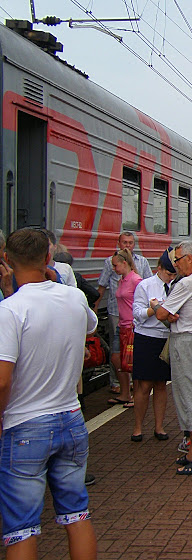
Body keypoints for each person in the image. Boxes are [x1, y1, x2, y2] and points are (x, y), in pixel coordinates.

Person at [0, 228, 99, 557]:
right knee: (76, 514)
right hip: (71, 418)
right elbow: (89, 326)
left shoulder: (10, 311)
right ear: (47, 258)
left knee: (21, 528)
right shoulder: (73, 297)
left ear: (7, 260)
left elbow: (3, 380)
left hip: (24, 424)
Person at [155, 241, 192, 475]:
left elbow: (161, 313)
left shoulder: (186, 283)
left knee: (189, 397)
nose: (175, 264)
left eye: (178, 259)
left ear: (189, 259)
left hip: (186, 342)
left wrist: (160, 308)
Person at [96, 232, 152, 397]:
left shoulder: (139, 269)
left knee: (129, 357)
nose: (127, 245)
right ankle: (120, 386)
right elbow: (102, 285)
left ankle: (136, 392)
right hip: (117, 315)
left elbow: (148, 288)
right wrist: (96, 306)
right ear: (119, 243)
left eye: (130, 242)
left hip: (131, 322)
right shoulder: (115, 270)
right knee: (118, 356)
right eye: (124, 242)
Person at [130, 249, 176, 441]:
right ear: (159, 269)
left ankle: (159, 426)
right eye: (168, 273)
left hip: (165, 337)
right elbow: (137, 313)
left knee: (161, 384)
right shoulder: (145, 285)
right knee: (144, 384)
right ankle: (138, 427)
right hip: (147, 337)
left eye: (174, 274)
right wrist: (154, 309)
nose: (171, 277)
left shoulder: (178, 286)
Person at [110, 249, 143, 409]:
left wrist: (136, 321)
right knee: (117, 358)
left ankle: (137, 396)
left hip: (132, 326)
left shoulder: (136, 280)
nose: (114, 269)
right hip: (121, 325)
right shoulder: (121, 281)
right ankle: (125, 393)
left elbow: (142, 301)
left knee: (133, 362)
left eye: (116, 265)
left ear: (124, 263)